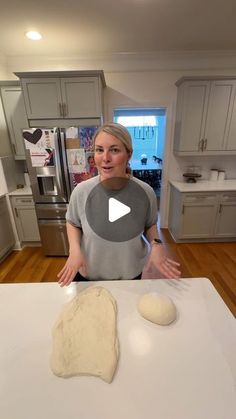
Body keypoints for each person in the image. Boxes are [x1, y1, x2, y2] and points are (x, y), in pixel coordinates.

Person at [57, 122, 181, 286]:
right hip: (89, 275)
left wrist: (157, 245)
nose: (105, 158)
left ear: (129, 154)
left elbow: (150, 224)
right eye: (99, 150)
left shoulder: (145, 192)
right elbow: (72, 222)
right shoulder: (81, 191)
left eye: (114, 150)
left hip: (130, 274)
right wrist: (74, 250)